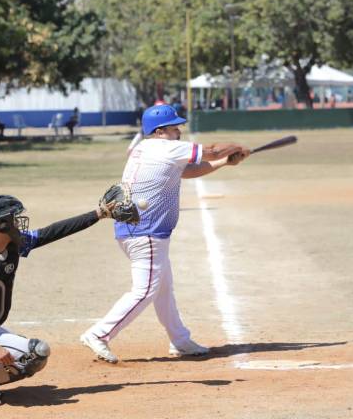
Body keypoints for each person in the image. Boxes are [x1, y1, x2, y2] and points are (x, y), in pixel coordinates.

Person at [80, 104, 250, 363]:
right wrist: (236, 147)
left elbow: (188, 171)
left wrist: (225, 162)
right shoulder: (166, 147)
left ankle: (180, 340)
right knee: (145, 290)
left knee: (163, 289)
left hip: (136, 230)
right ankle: (99, 334)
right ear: (160, 131)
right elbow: (212, 148)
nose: (179, 131)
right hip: (145, 232)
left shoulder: (144, 148)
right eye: (174, 127)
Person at [0, 193, 121, 405]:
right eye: (14, 219)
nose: (19, 223)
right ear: (0, 224)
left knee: (20, 346)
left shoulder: (11, 246)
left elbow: (53, 232)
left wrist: (99, 214)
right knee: (36, 354)